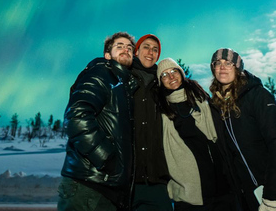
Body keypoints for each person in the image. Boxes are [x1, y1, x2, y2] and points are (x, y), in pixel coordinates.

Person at [209, 48, 276, 211]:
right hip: (250, 199)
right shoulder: (219, 107)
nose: (222, 67)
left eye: (228, 63)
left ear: (237, 68)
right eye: (218, 63)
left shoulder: (257, 95)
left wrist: (273, 197)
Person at [58, 32, 139, 211]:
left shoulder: (123, 86)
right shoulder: (101, 74)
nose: (126, 49)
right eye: (120, 46)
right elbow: (76, 115)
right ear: (107, 55)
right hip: (88, 184)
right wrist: (105, 158)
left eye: (129, 48)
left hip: (106, 187)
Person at [156, 57, 233, 211]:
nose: (171, 77)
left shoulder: (201, 99)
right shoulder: (163, 112)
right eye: (164, 75)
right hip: (191, 194)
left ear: (181, 73)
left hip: (223, 185)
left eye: (173, 71)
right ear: (160, 82)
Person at [131, 34, 172, 210]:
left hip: (157, 177)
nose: (151, 52)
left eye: (155, 49)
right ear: (136, 51)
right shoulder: (123, 78)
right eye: (146, 47)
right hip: (128, 179)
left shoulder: (162, 84)